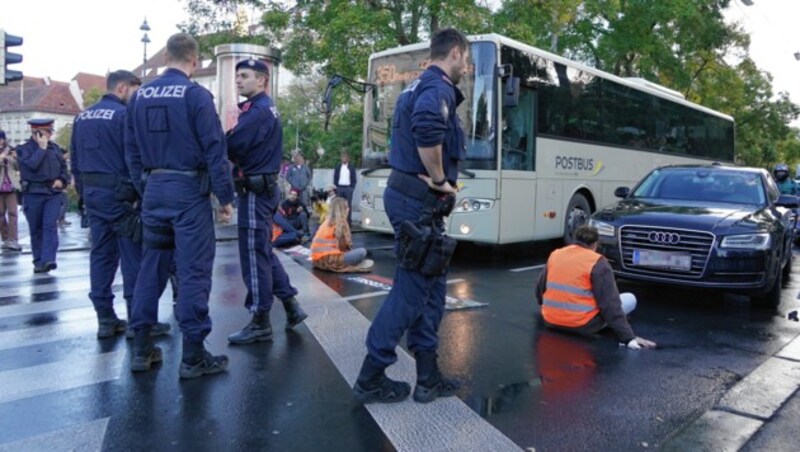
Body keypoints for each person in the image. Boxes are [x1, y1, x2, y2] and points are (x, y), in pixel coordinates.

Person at [353, 28, 468, 404]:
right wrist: (439, 180)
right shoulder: (437, 88)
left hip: (414, 202)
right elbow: (427, 128)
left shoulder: (415, 87)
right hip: (420, 202)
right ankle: (371, 375)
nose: (465, 67)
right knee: (410, 291)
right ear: (455, 53)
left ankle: (427, 377)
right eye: (465, 60)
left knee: (431, 292)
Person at [126, 33, 235, 379]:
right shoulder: (195, 95)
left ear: (167, 57)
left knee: (151, 266)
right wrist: (225, 197)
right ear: (194, 60)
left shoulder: (139, 96)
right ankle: (192, 355)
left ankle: (141, 347)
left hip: (154, 189)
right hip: (188, 192)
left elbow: (130, 151)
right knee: (193, 270)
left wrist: (144, 186)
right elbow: (214, 149)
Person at [72, 70, 171, 340]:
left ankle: (105, 319)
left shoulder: (82, 117)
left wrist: (83, 195)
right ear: (123, 88)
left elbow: (76, 162)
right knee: (132, 256)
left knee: (101, 255)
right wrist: (141, 193)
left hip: (93, 194)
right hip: (121, 196)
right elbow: (133, 157)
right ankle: (138, 321)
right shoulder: (124, 116)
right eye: (136, 91)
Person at [225, 58, 308, 346]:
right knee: (262, 252)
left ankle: (261, 320)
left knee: (253, 255)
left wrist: (220, 136)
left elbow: (232, 146)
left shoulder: (257, 111)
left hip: (254, 191)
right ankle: (290, 305)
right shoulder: (262, 108)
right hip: (262, 189)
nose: (238, 80)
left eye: (244, 75)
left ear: (262, 80)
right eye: (237, 76)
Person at [535, 224, 657, 350]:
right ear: (595, 244)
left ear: (575, 240)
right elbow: (610, 304)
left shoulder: (556, 255)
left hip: (551, 321)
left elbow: (539, 290)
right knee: (630, 299)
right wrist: (629, 338)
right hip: (583, 325)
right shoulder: (597, 262)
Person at [16, 118, 68, 273]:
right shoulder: (23, 149)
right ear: (36, 132)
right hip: (33, 193)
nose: (50, 134)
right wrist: (42, 149)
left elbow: (64, 169)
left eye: (50, 131)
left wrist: (61, 180)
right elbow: (31, 166)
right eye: (47, 131)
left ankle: (48, 259)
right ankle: (39, 261)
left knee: (50, 225)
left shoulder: (56, 149)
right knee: (36, 228)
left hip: (52, 193)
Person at [311, 197, 372, 272]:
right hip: (331, 260)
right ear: (343, 210)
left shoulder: (326, 221)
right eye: (347, 207)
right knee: (362, 251)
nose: (348, 209)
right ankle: (352, 263)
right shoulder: (342, 223)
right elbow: (344, 247)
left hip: (317, 260)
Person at [0, 130, 22, 251]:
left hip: (11, 186)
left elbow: (19, 166)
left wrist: (16, 158)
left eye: (1, 139)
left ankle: (13, 238)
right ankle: (5, 238)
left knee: (13, 213)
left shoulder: (11, 149)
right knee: (1, 214)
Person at [333, 150, 357, 224]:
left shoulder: (351, 167)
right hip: (339, 188)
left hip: (348, 188)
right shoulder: (338, 167)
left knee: (348, 206)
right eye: (342, 157)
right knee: (338, 206)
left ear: (348, 158)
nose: (343, 158)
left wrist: (351, 189)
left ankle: (348, 223)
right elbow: (335, 177)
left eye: (345, 157)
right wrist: (336, 187)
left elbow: (354, 179)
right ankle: (338, 222)